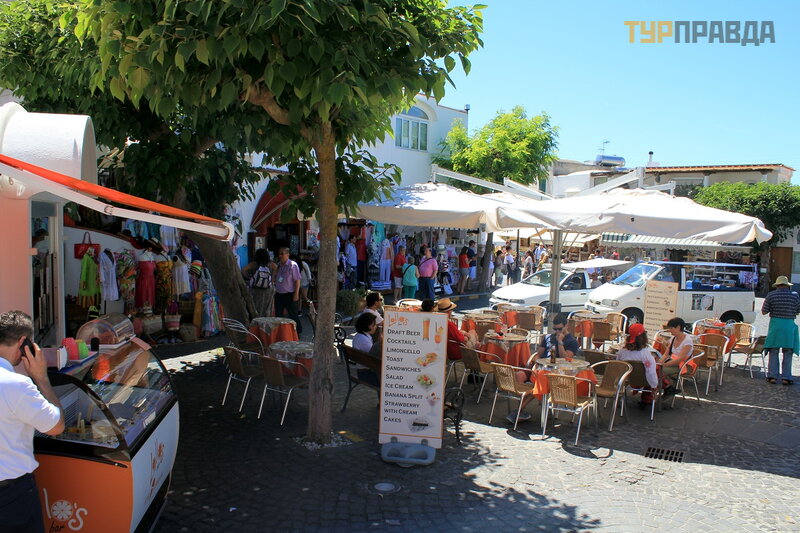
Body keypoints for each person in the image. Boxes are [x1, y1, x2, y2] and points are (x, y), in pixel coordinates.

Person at [0, 310, 65, 533]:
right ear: (23, 343)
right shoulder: (17, 385)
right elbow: (56, 426)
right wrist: (41, 377)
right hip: (10, 496)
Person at [512, 313, 579, 422]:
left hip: (556, 373)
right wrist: (536, 363)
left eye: (560, 329)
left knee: (539, 382)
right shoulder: (548, 337)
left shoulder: (572, 341)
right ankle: (521, 409)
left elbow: (566, 358)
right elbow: (538, 354)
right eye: (555, 329)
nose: (557, 332)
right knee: (519, 375)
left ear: (566, 326)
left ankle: (519, 410)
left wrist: (560, 343)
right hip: (540, 368)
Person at [761, 275, 800, 385]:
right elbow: (798, 311)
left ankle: (772, 376)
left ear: (777, 285)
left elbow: (764, 311)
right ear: (787, 285)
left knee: (773, 350)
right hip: (788, 326)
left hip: (776, 326)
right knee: (788, 352)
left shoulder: (771, 295)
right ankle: (786, 377)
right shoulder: (795, 295)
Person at [616, 323, 659, 406]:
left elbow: (618, 365)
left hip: (626, 379)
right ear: (644, 337)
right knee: (657, 371)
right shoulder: (646, 354)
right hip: (644, 380)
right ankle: (647, 399)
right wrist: (654, 386)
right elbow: (651, 373)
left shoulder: (622, 351)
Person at [658, 317, 694, 396]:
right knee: (656, 369)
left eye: (671, 328)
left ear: (678, 327)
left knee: (659, 371)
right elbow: (666, 354)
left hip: (683, 365)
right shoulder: (673, 338)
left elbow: (680, 359)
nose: (669, 330)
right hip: (673, 363)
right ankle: (668, 387)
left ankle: (668, 388)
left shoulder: (687, 341)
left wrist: (664, 364)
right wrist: (659, 363)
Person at [273, 247, 303, 334]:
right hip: (279, 294)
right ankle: (280, 333)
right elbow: (275, 278)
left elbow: (297, 281)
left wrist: (296, 294)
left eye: (282, 254)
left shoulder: (293, 265)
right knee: (278, 315)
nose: (280, 256)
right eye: (279, 254)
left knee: (293, 315)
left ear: (287, 254)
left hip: (289, 294)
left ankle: (298, 332)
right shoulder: (279, 265)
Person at [242, 248, 277, 317]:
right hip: (268, 289)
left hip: (256, 289)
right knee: (267, 308)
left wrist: (248, 278)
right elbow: (276, 270)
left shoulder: (254, 264)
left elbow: (243, 270)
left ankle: (256, 319)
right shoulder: (271, 264)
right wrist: (272, 280)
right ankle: (266, 320)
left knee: (256, 306)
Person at [351, 312, 381, 386]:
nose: (376, 327)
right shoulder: (364, 340)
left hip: (363, 371)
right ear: (369, 326)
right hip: (366, 374)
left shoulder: (359, 336)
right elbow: (374, 356)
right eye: (374, 325)